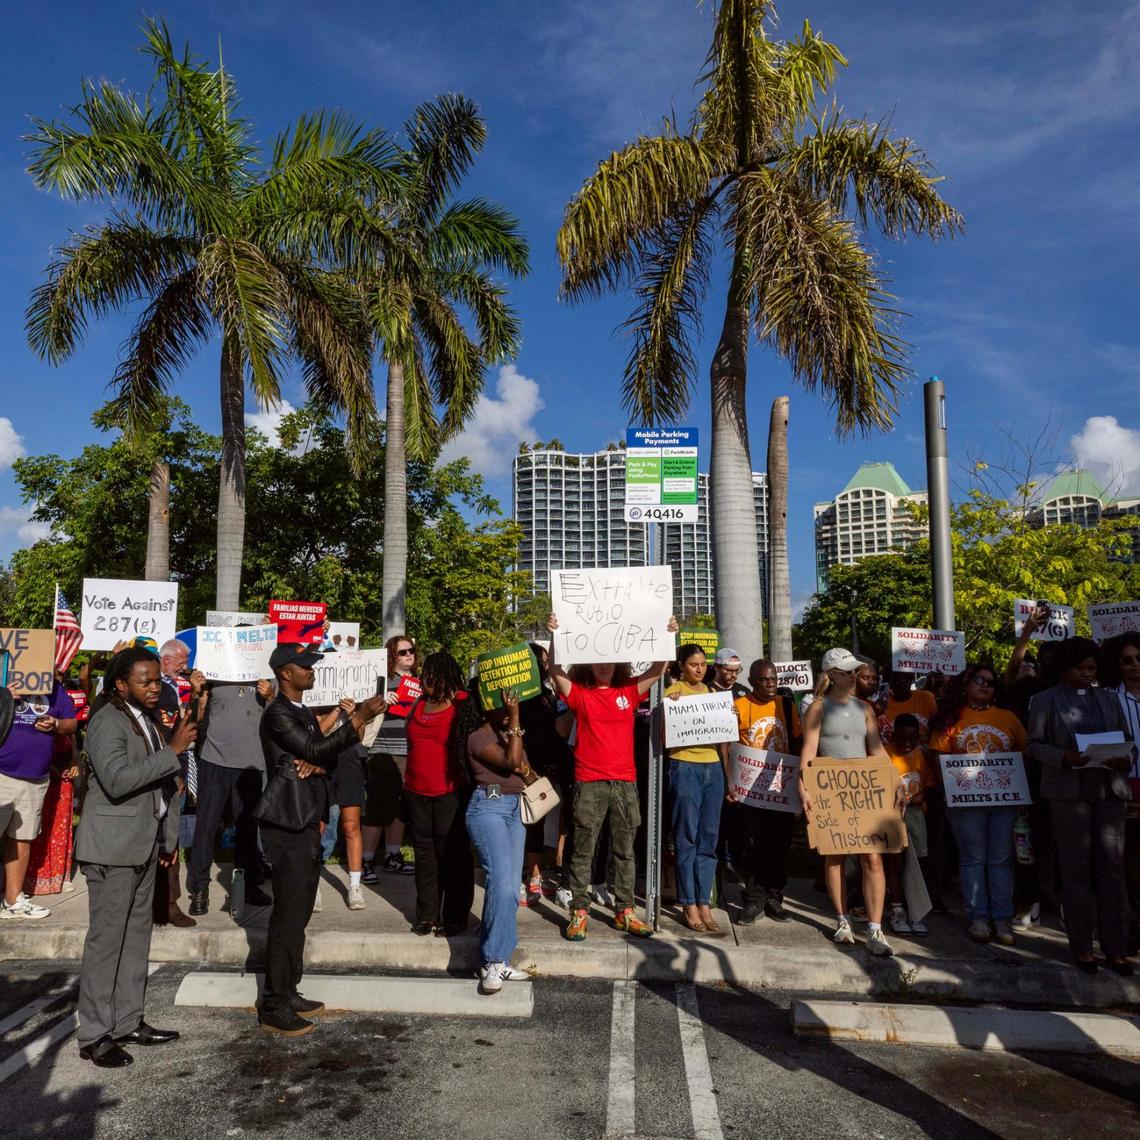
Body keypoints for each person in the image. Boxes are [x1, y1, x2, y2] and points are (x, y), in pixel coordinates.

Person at [75, 647, 197, 1067]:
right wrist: (173, 750)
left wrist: (166, 841)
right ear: (121, 684)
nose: (153, 687)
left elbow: (162, 786)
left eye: (156, 679)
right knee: (107, 943)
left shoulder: (143, 718)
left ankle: (128, 1021)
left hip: (142, 844)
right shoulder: (107, 720)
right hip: (112, 848)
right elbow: (117, 780)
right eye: (144, 681)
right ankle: (94, 1033)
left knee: (136, 939)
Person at [256, 643, 386, 1035]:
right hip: (287, 823)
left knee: (297, 916)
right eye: (304, 666)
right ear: (284, 673)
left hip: (307, 818)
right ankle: (274, 1004)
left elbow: (321, 754)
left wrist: (317, 759)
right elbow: (314, 748)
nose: (311, 671)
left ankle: (289, 988)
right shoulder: (278, 713)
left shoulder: (302, 713)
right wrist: (358, 716)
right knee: (287, 915)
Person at [546, 612, 678, 942]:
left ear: (617, 663)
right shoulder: (579, 694)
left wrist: (670, 634)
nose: (603, 666)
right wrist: (554, 635)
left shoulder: (630, 692)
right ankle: (579, 911)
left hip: (624, 782)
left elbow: (657, 669)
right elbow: (554, 670)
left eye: (608, 661)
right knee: (583, 850)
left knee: (625, 850)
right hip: (589, 782)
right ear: (587, 665)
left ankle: (625, 911)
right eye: (596, 661)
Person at [1027, 637, 1134, 975]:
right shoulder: (1045, 701)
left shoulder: (1110, 699)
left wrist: (1122, 759)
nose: (1087, 674)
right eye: (1080, 668)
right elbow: (1034, 745)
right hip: (1070, 795)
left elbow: (1129, 743)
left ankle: (1116, 949)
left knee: (1112, 872)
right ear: (1064, 668)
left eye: (1091, 668)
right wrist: (1064, 757)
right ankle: (1082, 948)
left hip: (1108, 792)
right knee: (1076, 873)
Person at [798, 647, 901, 956]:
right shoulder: (817, 708)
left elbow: (876, 750)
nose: (855, 674)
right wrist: (803, 785)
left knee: (873, 857)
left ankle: (875, 927)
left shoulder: (865, 708)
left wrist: (896, 780)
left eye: (856, 669)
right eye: (849, 670)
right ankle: (843, 921)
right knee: (835, 856)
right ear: (832, 675)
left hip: (865, 791)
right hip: (832, 792)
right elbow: (809, 749)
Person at [928, 664, 1027, 946]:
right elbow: (937, 757)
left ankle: (1002, 918)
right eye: (979, 680)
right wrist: (948, 790)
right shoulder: (951, 718)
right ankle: (978, 917)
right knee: (973, 858)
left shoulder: (1009, 718)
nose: (985, 685)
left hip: (1004, 801)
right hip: (964, 802)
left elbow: (1024, 754)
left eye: (991, 682)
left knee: (1001, 860)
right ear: (966, 684)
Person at [465, 688, 537, 994]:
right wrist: (516, 721)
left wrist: (519, 756)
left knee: (510, 890)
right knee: (502, 882)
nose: (510, 711)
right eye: (504, 708)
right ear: (487, 710)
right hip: (488, 807)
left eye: (512, 707)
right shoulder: (478, 737)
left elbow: (528, 773)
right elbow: (512, 763)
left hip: (514, 810)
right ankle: (493, 961)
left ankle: (498, 957)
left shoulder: (511, 737)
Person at [186, 676, 273, 917]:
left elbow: (278, 718)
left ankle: (248, 886)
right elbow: (196, 719)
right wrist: (197, 694)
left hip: (251, 764)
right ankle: (199, 888)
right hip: (215, 761)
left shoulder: (267, 676)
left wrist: (271, 698)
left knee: (247, 828)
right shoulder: (213, 673)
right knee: (206, 826)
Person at [403, 652, 476, 937]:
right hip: (416, 792)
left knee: (454, 858)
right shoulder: (419, 703)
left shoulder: (463, 704)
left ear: (445, 676)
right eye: (424, 676)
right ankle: (426, 916)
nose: (425, 681)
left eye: (431, 676)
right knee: (425, 858)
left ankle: (455, 918)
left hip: (450, 793)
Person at [731, 658, 802, 925]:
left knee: (779, 845)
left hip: (781, 788)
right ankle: (753, 899)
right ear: (752, 682)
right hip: (751, 789)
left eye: (773, 679)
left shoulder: (785, 705)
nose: (771, 684)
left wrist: (797, 783)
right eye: (764, 680)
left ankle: (774, 897)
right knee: (752, 846)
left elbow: (796, 742)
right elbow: (730, 745)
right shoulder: (739, 707)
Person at [0, 676, 77, 920]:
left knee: (22, 838)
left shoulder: (54, 688)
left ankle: (12, 900)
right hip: (3, 773)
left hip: (36, 776)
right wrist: (3, 698)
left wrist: (56, 723)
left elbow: (72, 723)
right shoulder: (4, 680)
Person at [665, 644, 726, 935]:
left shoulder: (714, 694)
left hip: (712, 767)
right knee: (686, 836)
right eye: (693, 664)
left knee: (709, 837)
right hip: (685, 766)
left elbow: (724, 736)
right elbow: (663, 733)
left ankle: (704, 901)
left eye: (703, 664)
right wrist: (671, 704)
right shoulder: (672, 693)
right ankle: (688, 902)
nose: (699, 669)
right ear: (681, 666)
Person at [517, 642, 574, 906]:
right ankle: (532, 875)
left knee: (553, 822)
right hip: (535, 767)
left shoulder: (549, 691)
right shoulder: (526, 697)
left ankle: (538, 873)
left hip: (556, 764)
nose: (546, 664)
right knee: (534, 822)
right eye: (543, 661)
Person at [361, 635, 419, 880]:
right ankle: (365, 860)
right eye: (403, 652)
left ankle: (393, 855)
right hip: (383, 752)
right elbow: (360, 709)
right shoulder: (381, 682)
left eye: (412, 650)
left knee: (400, 808)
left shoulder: (420, 684)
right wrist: (381, 701)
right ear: (392, 656)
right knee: (378, 807)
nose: (409, 655)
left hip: (410, 752)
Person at [24, 676, 86, 896]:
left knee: (61, 823)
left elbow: (71, 732)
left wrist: (73, 762)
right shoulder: (20, 691)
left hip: (63, 767)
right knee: (33, 825)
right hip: (37, 768)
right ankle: (33, 877)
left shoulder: (61, 692)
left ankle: (60, 874)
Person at [1102, 631, 1140, 956]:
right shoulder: (1109, 698)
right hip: (1124, 787)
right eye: (1127, 660)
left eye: (1139, 659)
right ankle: (1129, 933)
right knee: (1127, 868)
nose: (1135, 666)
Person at [883, 713, 931, 936]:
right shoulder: (885, 752)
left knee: (917, 863)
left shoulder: (921, 755)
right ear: (893, 736)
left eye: (912, 739)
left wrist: (922, 795)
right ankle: (897, 908)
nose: (907, 743)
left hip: (915, 814)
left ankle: (915, 908)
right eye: (902, 738)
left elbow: (928, 782)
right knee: (895, 862)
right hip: (892, 814)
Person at [884, 670, 937, 743]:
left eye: (907, 677)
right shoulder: (884, 705)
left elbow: (937, 728)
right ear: (890, 682)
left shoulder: (926, 697)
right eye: (898, 679)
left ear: (912, 680)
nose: (903, 681)